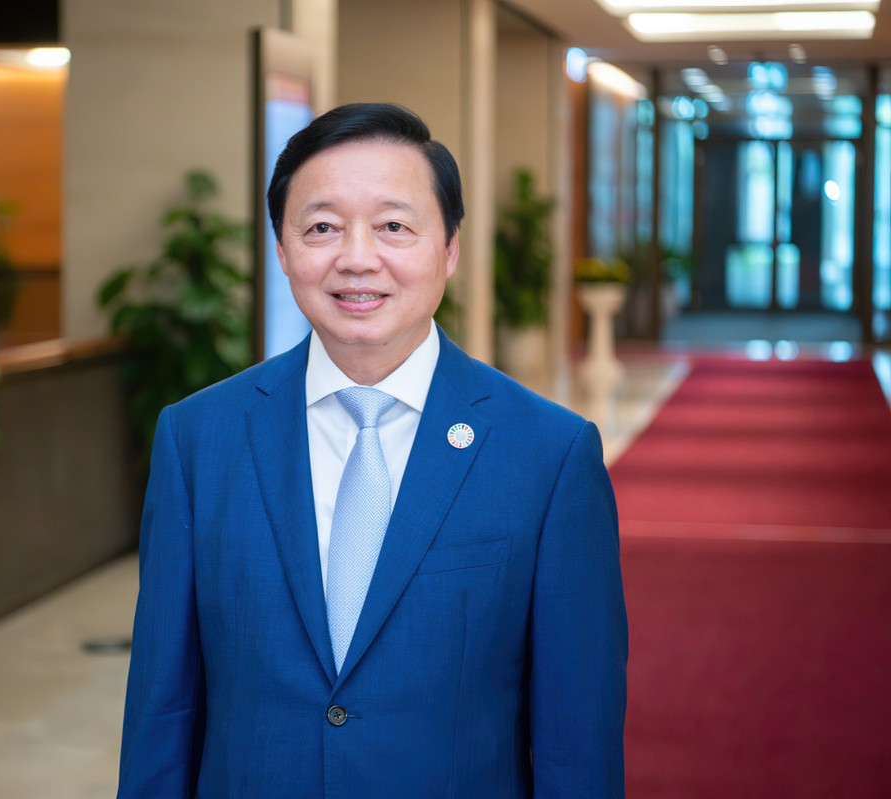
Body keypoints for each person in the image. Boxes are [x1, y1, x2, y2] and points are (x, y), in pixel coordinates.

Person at [117, 102, 627, 798]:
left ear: (449, 248)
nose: (357, 259)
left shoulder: (549, 454)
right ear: (282, 250)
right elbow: (162, 709)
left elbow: (577, 739)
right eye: (322, 228)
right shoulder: (198, 438)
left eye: (393, 226)